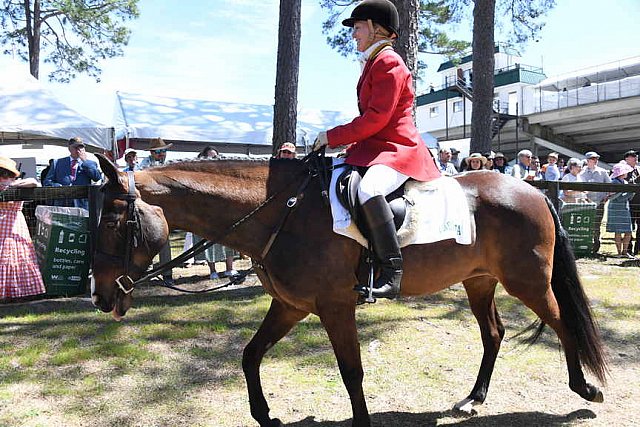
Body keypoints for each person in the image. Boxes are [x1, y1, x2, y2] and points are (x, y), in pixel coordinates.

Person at [312, 0, 441, 299]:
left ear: (373, 28)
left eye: (357, 28)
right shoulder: (373, 62)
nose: (354, 34)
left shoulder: (389, 63)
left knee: (369, 190)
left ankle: (392, 271)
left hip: (398, 149)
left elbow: (377, 118)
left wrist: (332, 136)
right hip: (376, 147)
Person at [0, 157, 46, 301]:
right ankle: (18, 292)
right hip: (14, 224)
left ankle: (11, 292)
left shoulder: (15, 184)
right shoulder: (14, 184)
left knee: (13, 257)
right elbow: (34, 182)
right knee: (16, 257)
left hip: (12, 223)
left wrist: (12, 185)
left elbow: (34, 182)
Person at [139, 137, 174, 283]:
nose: (162, 154)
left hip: (167, 208)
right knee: (145, 240)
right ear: (152, 153)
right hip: (148, 207)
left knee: (165, 240)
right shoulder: (144, 166)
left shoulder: (171, 165)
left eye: (164, 151)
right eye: (159, 151)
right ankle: (145, 272)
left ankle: (167, 275)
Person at [43, 137, 102, 210]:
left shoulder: (91, 164)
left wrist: (85, 161)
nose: (78, 150)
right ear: (69, 148)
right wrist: (59, 186)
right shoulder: (57, 163)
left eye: (81, 147)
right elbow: (47, 182)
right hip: (62, 204)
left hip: (82, 204)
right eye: (75, 147)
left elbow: (97, 178)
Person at [580, 151, 611, 254]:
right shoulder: (582, 172)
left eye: (596, 158)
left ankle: (596, 247)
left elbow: (610, 186)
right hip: (585, 203)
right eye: (593, 158)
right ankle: (586, 245)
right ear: (588, 160)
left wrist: (607, 197)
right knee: (586, 224)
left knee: (597, 225)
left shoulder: (603, 172)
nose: (596, 160)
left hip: (599, 203)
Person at [606, 162, 635, 258]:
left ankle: (625, 252)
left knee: (628, 231)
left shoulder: (625, 182)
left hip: (624, 209)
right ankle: (619, 253)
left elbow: (628, 198)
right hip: (615, 209)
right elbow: (618, 198)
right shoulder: (614, 182)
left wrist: (632, 192)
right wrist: (631, 192)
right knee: (618, 231)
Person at [623, 150, 640, 255]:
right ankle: (628, 249)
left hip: (639, 203)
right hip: (629, 203)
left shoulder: (638, 170)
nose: (635, 158)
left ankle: (637, 249)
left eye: (636, 156)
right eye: (633, 156)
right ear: (626, 159)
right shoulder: (623, 171)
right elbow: (627, 184)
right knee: (628, 227)